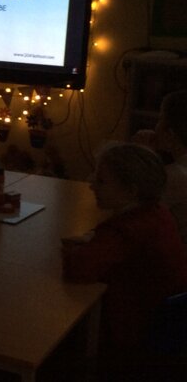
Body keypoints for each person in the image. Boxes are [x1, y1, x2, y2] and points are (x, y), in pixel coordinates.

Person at [61, 142, 187, 353]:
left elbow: (79, 269)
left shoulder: (126, 230)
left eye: (101, 181)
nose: (91, 184)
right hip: (168, 320)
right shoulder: (157, 212)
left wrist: (73, 251)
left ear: (130, 191)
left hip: (136, 328)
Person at [132, 90, 187, 248]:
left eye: (160, 119)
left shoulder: (175, 177)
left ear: (171, 134)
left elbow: (130, 211)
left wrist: (141, 155)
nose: (155, 127)